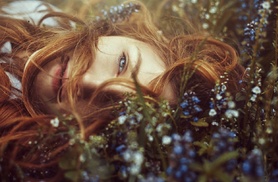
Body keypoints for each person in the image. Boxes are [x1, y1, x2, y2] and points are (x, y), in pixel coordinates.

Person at [0, 0, 245, 180]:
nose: (87, 83)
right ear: (117, 34)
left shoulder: (12, 153)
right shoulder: (32, 11)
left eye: (112, 107)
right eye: (122, 63)